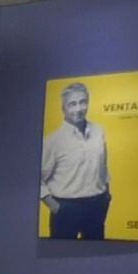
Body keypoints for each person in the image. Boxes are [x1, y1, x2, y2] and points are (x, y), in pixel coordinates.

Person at [40, 82, 111, 240]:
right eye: (72, 104)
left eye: (82, 102)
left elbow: (103, 166)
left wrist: (106, 196)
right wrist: (55, 207)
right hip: (66, 210)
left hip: (96, 207)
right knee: (61, 260)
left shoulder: (99, 131)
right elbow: (36, 178)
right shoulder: (53, 141)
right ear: (63, 108)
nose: (78, 109)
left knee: (96, 259)